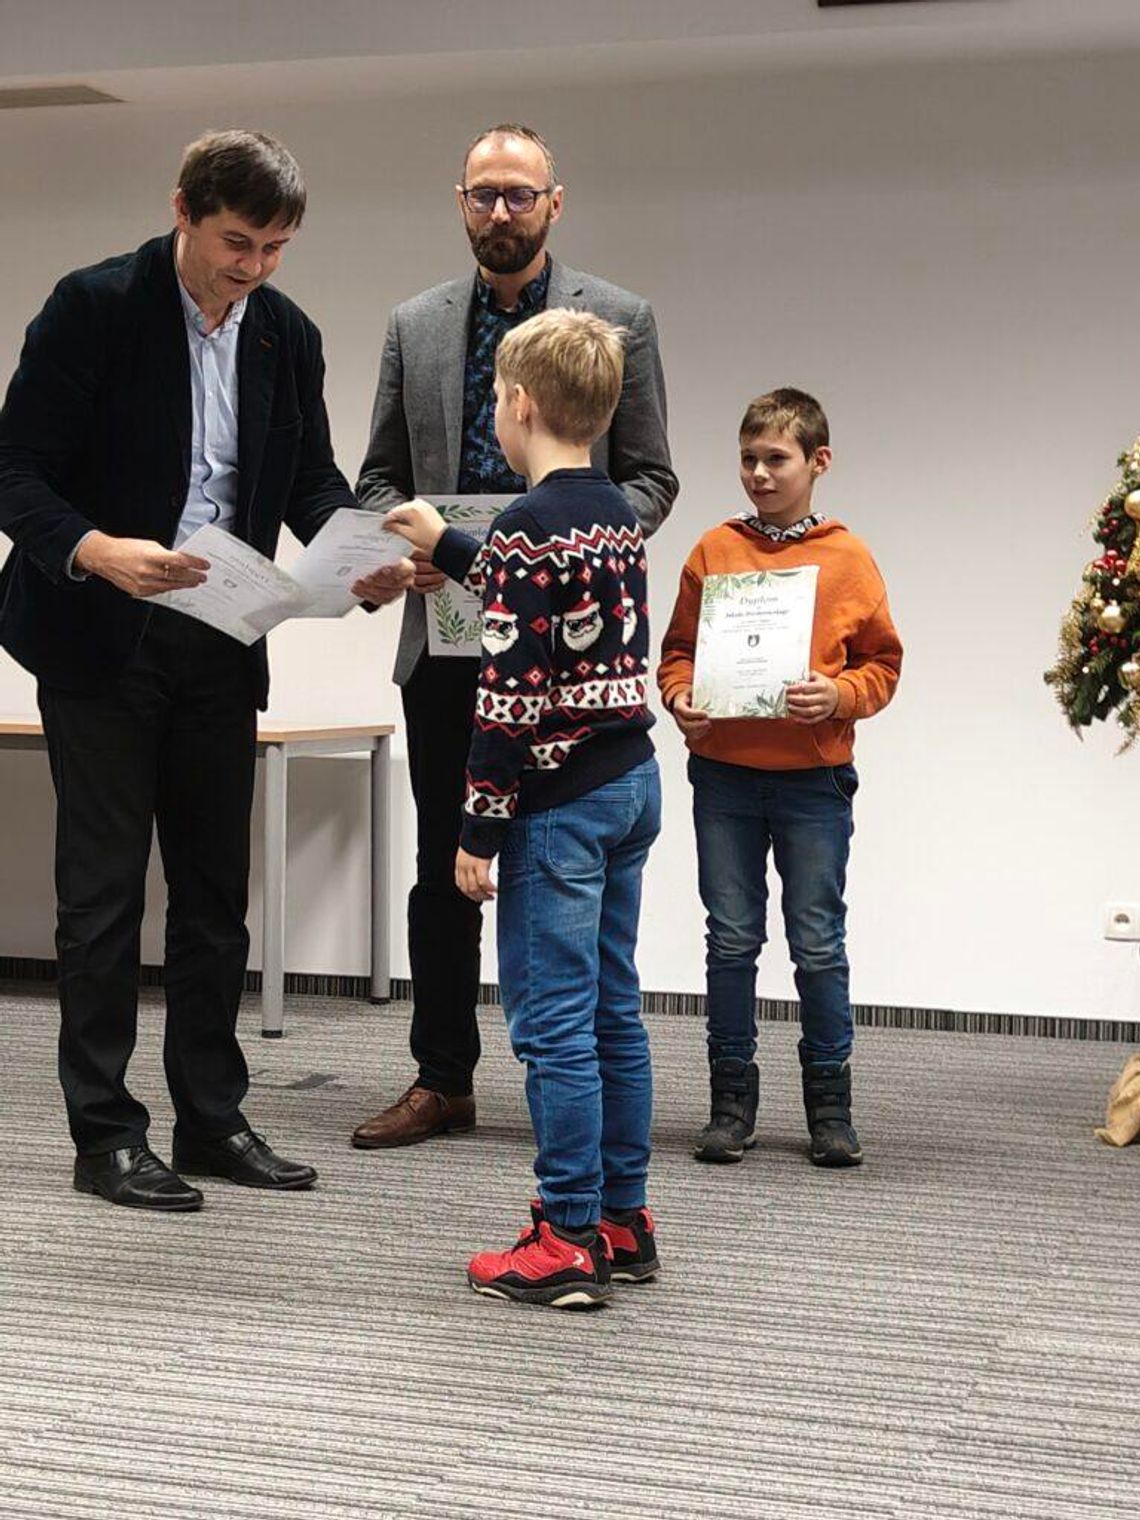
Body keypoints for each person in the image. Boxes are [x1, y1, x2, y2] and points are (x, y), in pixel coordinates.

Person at [0, 129, 411, 1211]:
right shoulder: (95, 305)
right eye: (239, 241)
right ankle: (105, 1132)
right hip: (101, 627)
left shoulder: (286, 333)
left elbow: (309, 481)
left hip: (224, 631)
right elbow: (15, 470)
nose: (256, 267)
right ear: (183, 208)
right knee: (99, 897)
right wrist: (93, 547)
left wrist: (359, 553)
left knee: (216, 895)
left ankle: (210, 1116)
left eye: (277, 247)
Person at [352, 123, 677, 1150]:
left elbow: (652, 478)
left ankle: (570, 1069)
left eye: (519, 195)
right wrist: (405, 548)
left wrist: (565, 543)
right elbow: (375, 480)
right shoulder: (415, 324)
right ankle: (442, 1075)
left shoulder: (617, 317)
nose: (501, 210)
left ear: (555, 201)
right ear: (459, 200)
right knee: (444, 863)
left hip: (571, 660)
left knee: (563, 861)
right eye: (483, 194)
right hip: (447, 650)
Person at [385, 309, 661, 1307]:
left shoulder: (526, 524)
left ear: (518, 405)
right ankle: (625, 1216)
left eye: (498, 397)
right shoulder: (612, 514)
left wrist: (477, 827)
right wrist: (449, 541)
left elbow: (509, 694)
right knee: (610, 1008)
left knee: (549, 1025)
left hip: (558, 800)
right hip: (630, 780)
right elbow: (548, 599)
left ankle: (565, 1234)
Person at [657, 388, 902, 1168]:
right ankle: (731, 1102)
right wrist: (679, 699)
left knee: (818, 944)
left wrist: (839, 695)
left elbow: (883, 665)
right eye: (748, 460)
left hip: (814, 781)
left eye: (776, 459)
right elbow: (678, 651)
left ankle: (830, 1105)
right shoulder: (712, 551)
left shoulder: (848, 557)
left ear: (817, 462)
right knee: (730, 942)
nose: (759, 475)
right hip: (724, 774)